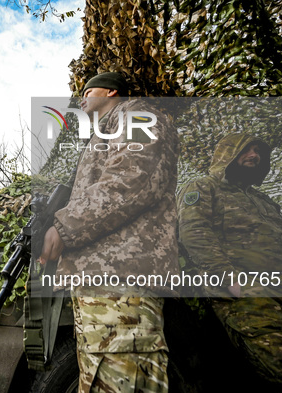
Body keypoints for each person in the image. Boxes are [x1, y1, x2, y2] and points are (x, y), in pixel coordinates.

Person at [39, 72, 180, 393]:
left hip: (121, 278)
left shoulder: (137, 116)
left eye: (89, 88)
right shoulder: (106, 132)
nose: (82, 95)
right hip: (101, 279)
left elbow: (132, 180)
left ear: (112, 91)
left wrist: (64, 226)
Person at [177, 132, 282, 393]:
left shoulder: (264, 201)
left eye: (258, 151)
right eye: (246, 149)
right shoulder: (204, 187)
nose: (254, 155)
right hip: (252, 295)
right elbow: (195, 233)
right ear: (228, 154)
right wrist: (230, 279)